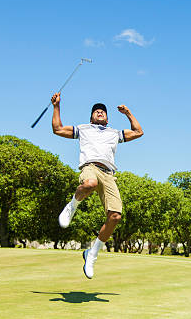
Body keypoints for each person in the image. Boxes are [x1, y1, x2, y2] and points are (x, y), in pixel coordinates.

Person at [50, 92, 143, 278]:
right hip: (90, 166)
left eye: (103, 111)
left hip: (109, 174)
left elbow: (138, 132)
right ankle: (72, 206)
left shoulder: (114, 133)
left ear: (107, 118)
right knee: (90, 183)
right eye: (96, 111)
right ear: (91, 117)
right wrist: (56, 106)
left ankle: (92, 254)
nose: (99, 112)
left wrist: (128, 113)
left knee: (115, 216)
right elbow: (58, 129)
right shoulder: (84, 129)